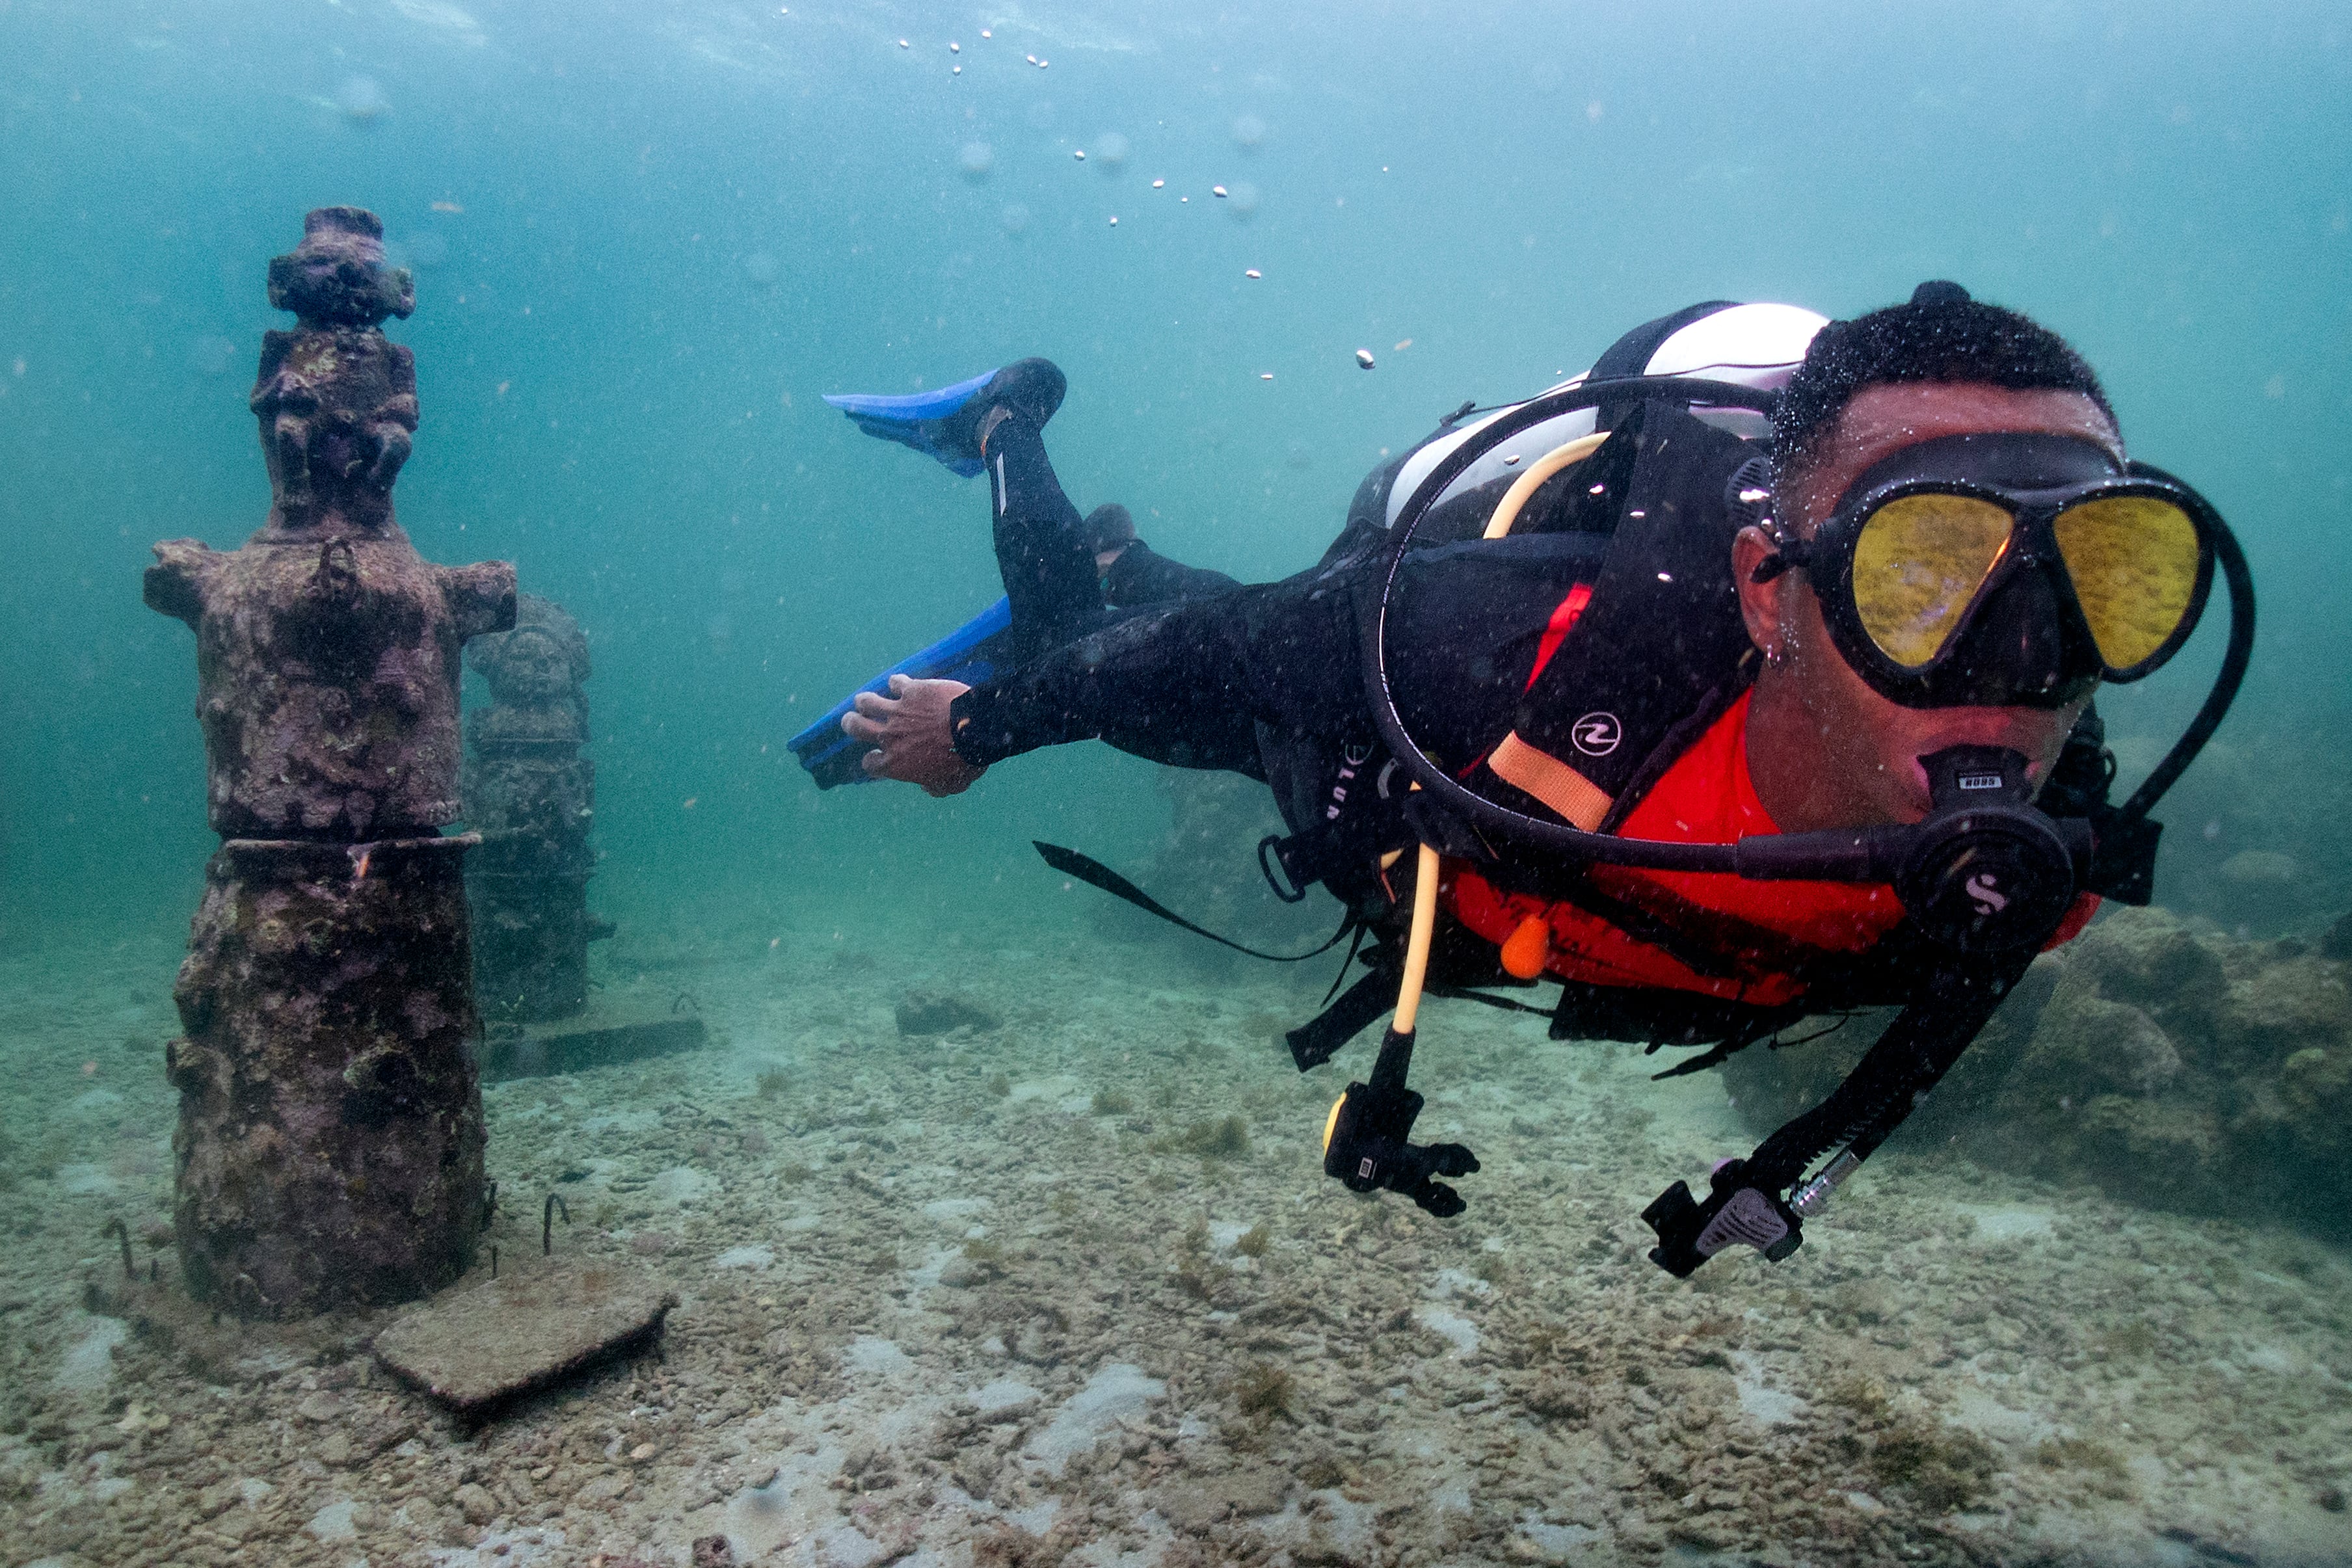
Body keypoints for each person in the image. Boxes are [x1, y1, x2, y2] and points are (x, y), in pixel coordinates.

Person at [806, 287, 2249, 1275]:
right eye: (1919, 573)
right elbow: (1237, 646)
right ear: (1768, 588)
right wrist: (982, 729)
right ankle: (1007, 427)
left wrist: (1781, 1175)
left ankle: (1116, 562)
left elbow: (1942, 1003)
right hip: (1367, 748)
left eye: (2109, 582)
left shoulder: (2048, 820)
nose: (2017, 661)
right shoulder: (1503, 656)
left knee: (1159, 620)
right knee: (1099, 648)